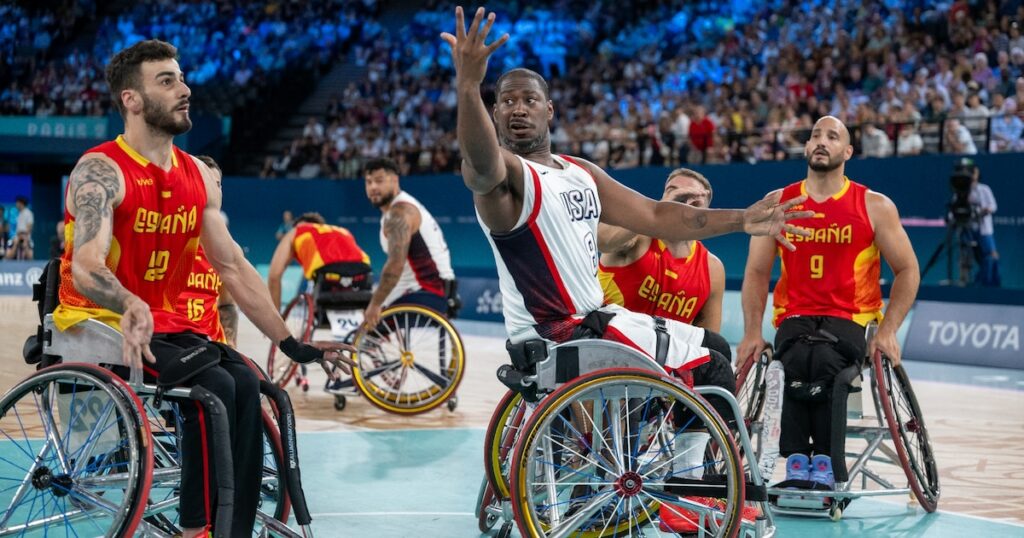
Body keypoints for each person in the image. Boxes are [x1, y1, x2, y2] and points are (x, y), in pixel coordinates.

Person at [52, 40, 353, 538]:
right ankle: (199, 529)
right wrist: (127, 301)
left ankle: (233, 527)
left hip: (170, 324)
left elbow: (232, 266)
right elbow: (85, 264)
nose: (184, 89)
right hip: (99, 316)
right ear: (131, 99)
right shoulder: (101, 169)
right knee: (210, 391)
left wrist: (291, 343)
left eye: (182, 77)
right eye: (166, 81)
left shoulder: (197, 175)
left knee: (252, 387)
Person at [738, 115, 920, 489]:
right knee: (790, 362)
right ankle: (797, 461)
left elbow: (908, 270)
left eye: (832, 136)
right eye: (816, 135)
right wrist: (752, 333)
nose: (822, 141)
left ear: (847, 151)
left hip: (851, 319)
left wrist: (887, 332)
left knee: (823, 361)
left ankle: (825, 463)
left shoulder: (873, 205)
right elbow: (756, 272)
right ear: (806, 148)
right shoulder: (778, 203)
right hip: (795, 317)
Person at [598, 168, 725, 333]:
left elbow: (709, 341)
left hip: (665, 356)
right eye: (674, 192)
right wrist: (659, 210)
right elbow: (602, 241)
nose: (682, 204)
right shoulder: (637, 236)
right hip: (613, 347)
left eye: (692, 200)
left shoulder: (712, 268)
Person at [362, 157, 455, 328]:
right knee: (363, 311)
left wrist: (375, 304)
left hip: (428, 291)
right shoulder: (396, 210)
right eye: (368, 182)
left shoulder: (401, 213)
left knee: (364, 330)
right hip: (427, 287)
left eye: (379, 181)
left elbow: (395, 265)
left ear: (395, 180)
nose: (373, 187)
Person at [175, 155, 238, 347]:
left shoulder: (225, 249)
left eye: (216, 185)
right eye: (203, 184)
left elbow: (227, 304)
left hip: (212, 345)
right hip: (173, 342)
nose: (210, 191)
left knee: (254, 377)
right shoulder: (162, 238)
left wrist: (231, 343)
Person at [267, 212, 371, 311]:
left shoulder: (297, 230)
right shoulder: (342, 230)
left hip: (327, 274)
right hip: (362, 273)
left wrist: (276, 318)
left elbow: (274, 276)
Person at [965, 160, 1000, 286]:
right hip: (969, 229)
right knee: (971, 257)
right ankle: (969, 283)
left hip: (984, 229)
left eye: (975, 173)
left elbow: (993, 206)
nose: (974, 175)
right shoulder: (963, 191)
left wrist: (984, 210)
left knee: (991, 255)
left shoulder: (984, 189)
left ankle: (991, 283)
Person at [5, 195, 33, 259]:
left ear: (21, 203)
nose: (16, 204)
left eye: (17, 203)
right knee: (11, 245)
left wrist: (25, 238)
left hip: (25, 237)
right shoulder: (19, 213)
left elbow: (29, 227)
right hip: (17, 236)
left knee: (28, 253)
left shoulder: (28, 213)